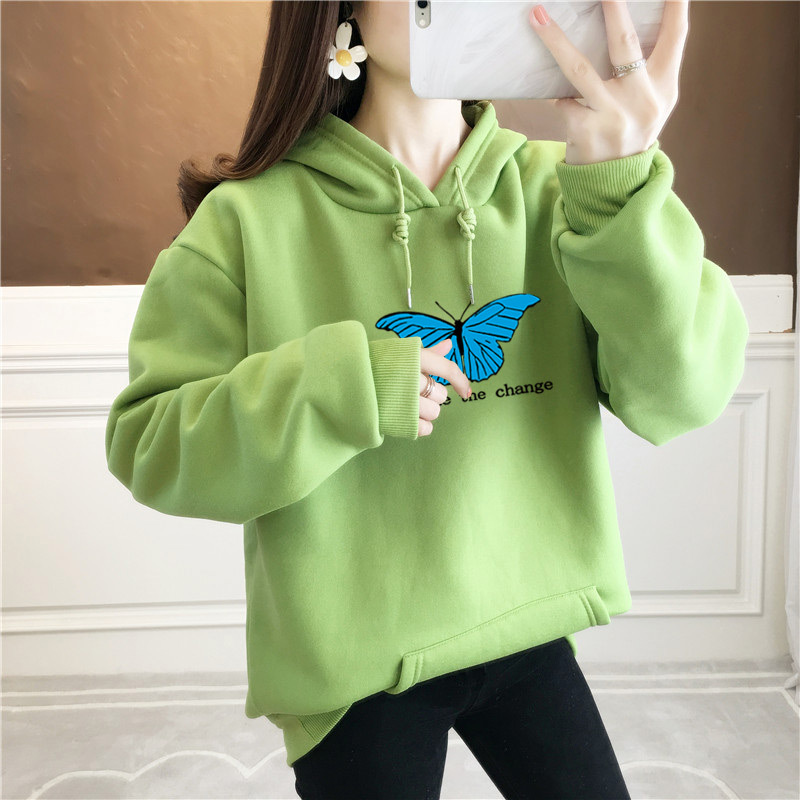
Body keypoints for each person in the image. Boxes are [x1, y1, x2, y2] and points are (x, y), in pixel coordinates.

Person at [105, 1, 748, 797]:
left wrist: (621, 184)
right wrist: (345, 386)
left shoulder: (573, 189)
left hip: (529, 620)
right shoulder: (245, 222)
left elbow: (684, 396)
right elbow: (152, 445)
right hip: (357, 667)